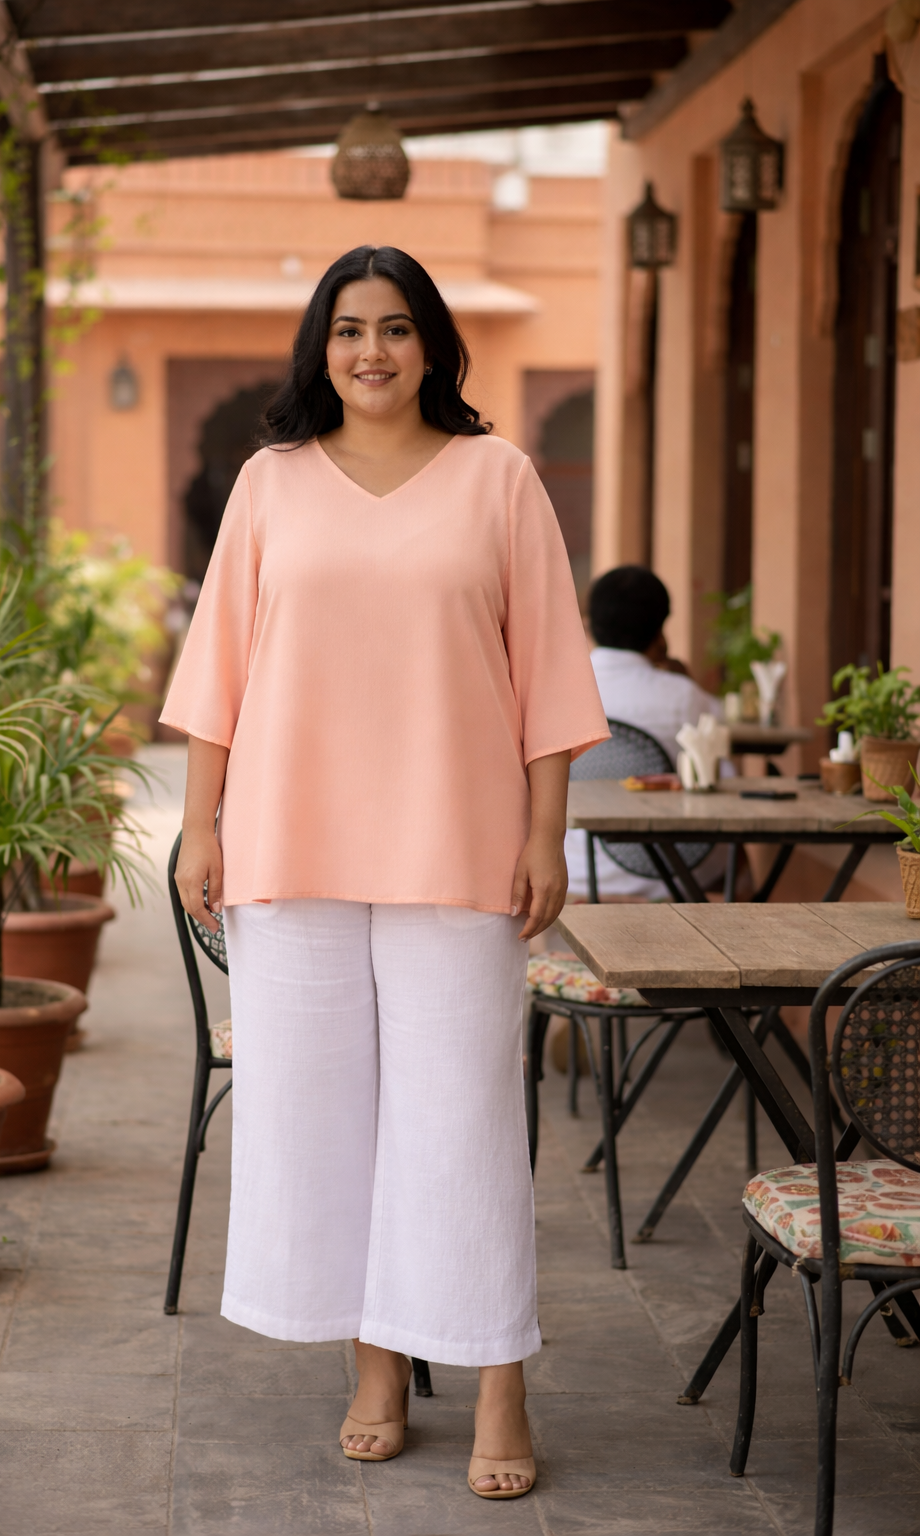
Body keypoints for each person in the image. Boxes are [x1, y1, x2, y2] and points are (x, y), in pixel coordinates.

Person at [162, 245, 608, 1500]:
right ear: (320, 346)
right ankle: (374, 1365)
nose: (372, 351)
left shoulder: (499, 479)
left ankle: (498, 1382)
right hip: (289, 845)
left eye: (397, 329)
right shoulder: (269, 483)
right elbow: (220, 678)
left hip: (456, 846)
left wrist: (541, 834)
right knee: (324, 1120)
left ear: (432, 347)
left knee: (458, 1122)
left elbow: (547, 683)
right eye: (350, 328)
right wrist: (202, 827)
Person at [565, 565, 724, 901]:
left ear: (590, 621)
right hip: (671, 873)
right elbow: (719, 745)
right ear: (659, 631)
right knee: (739, 864)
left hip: (578, 864)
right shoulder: (682, 695)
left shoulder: (561, 685)